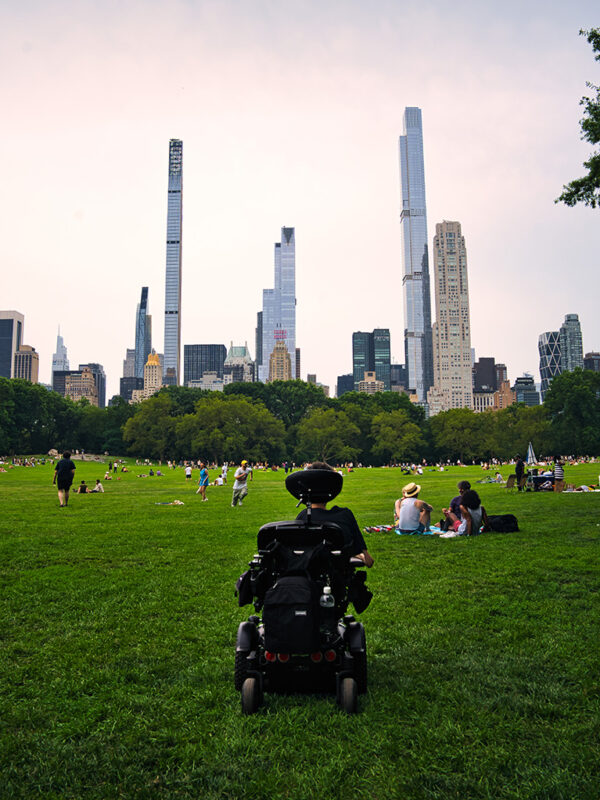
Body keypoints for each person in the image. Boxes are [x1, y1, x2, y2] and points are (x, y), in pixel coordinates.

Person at [295, 462, 373, 567]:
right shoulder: (344, 516)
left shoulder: (302, 517)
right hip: (338, 572)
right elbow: (368, 560)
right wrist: (361, 556)